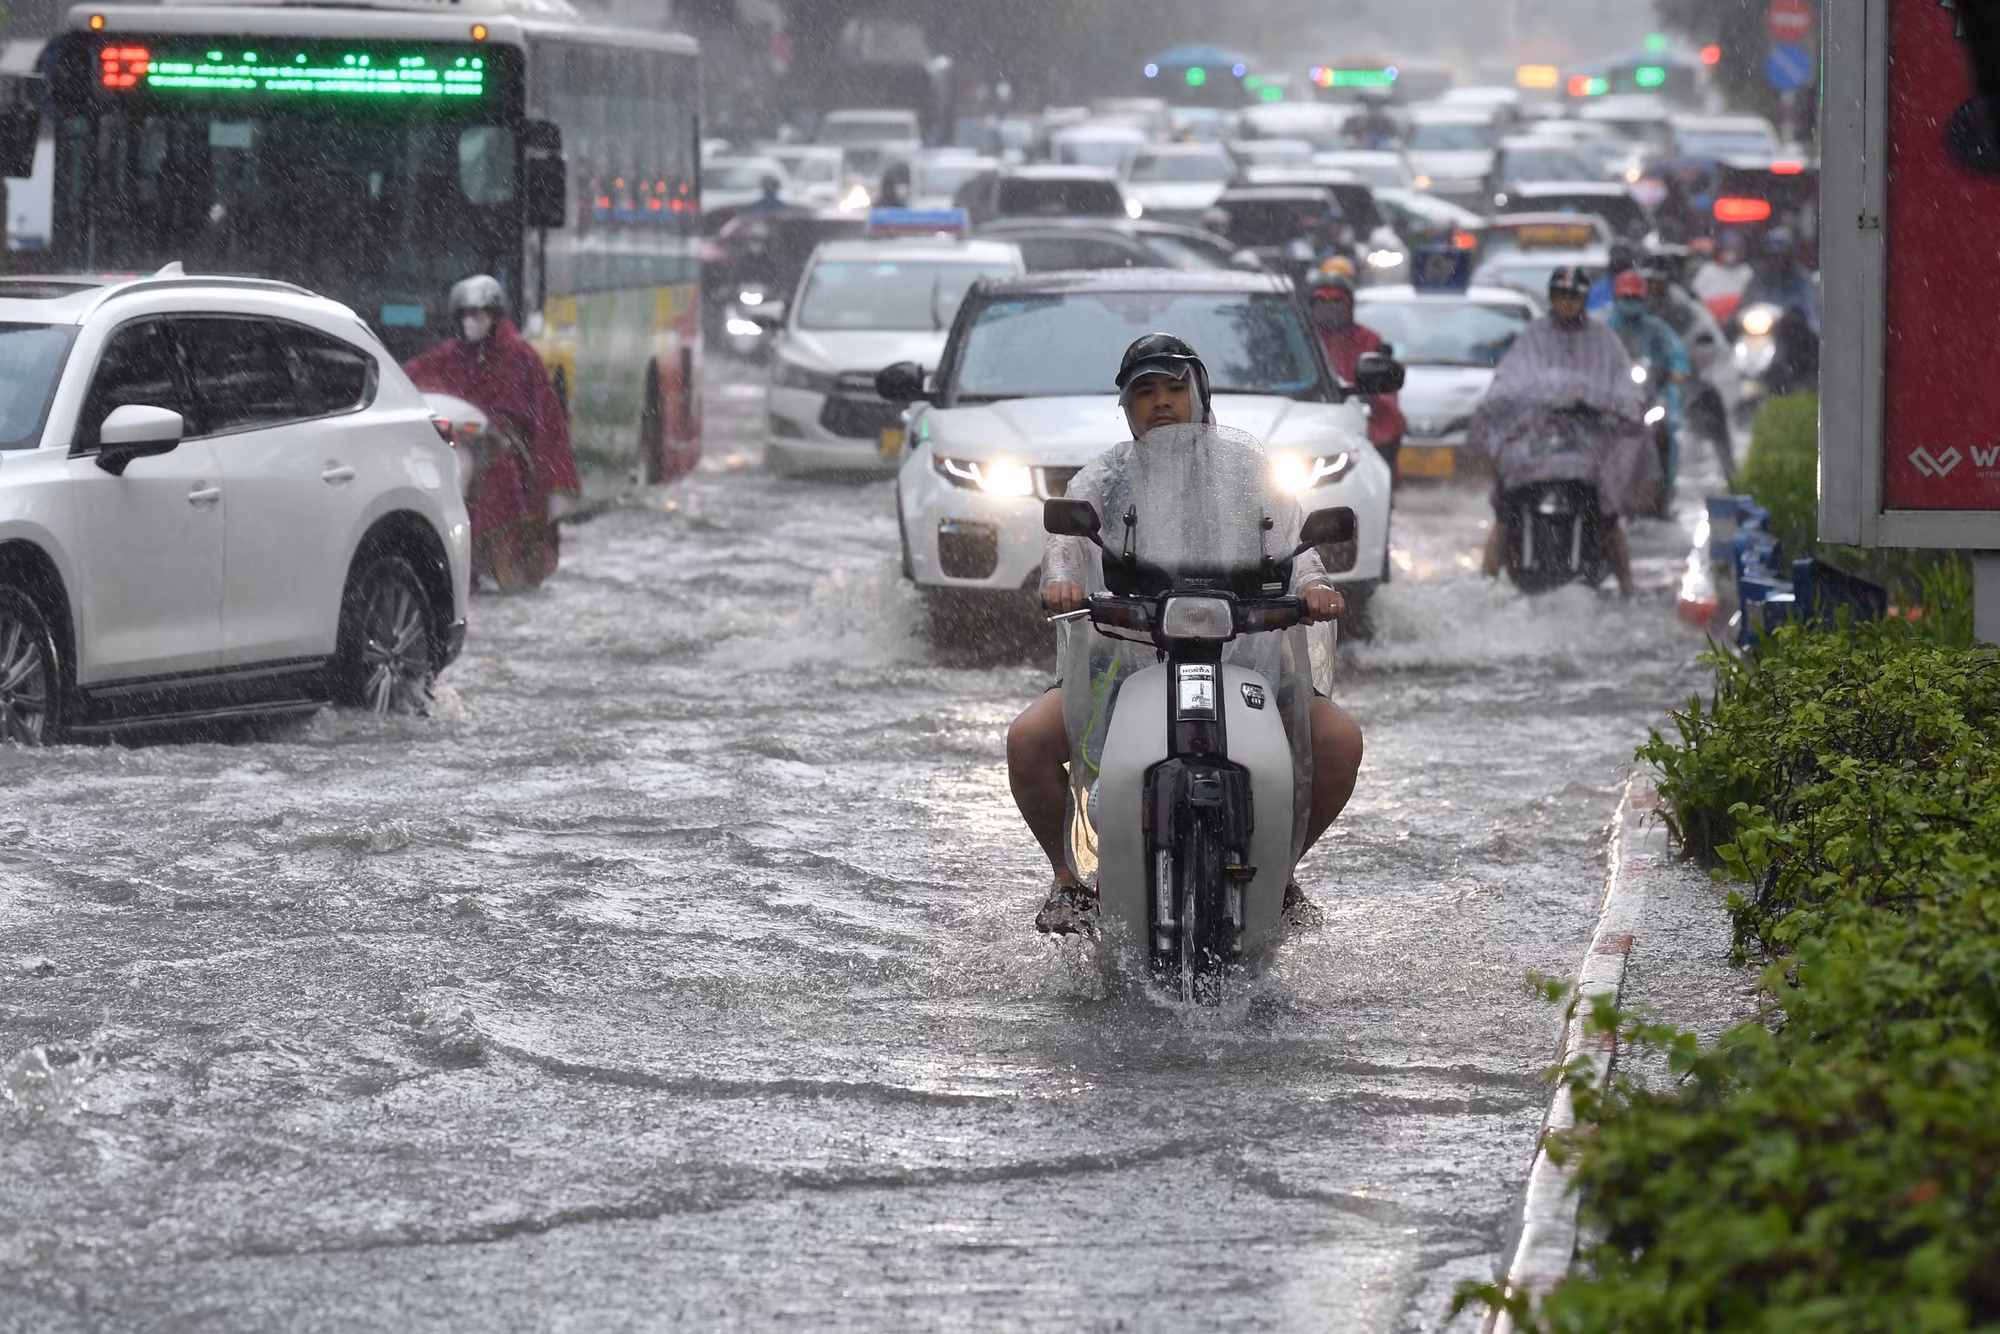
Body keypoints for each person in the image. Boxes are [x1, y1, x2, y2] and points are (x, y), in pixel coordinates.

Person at [1007, 334, 1364, 936]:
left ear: (1201, 395)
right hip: (1123, 663)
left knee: (1341, 743)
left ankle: (1280, 871)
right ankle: (1069, 880)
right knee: (1027, 741)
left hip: (1250, 656)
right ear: (1125, 407)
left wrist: (1315, 587)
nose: (1162, 403)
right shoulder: (1104, 475)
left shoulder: (1251, 471)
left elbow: (1296, 544)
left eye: (1175, 388)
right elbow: (1065, 547)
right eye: (1145, 392)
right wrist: (1062, 582)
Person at [1469, 267, 1653, 596]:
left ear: (1584, 299)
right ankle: (1485, 586)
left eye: (1574, 296)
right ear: (1553, 298)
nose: (1567, 302)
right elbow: (1508, 382)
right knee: (1504, 512)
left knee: (1608, 515)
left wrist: (1597, 402)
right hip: (1535, 436)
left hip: (1589, 437)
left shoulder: (1606, 341)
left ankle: (1628, 588)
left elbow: (1625, 388)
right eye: (1562, 296)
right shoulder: (1533, 337)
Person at [403, 276, 580, 593]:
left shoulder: (519, 355)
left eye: (480, 315)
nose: (473, 322)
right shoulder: (451, 354)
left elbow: (545, 417)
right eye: (467, 315)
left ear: (495, 315)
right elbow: (413, 374)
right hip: (456, 440)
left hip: (506, 447)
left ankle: (504, 563)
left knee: (499, 478)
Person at [1602, 269, 1689, 508]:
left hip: (1648, 398)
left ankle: (1664, 494)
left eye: (1635, 298)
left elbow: (1676, 351)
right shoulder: (1604, 329)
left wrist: (1676, 370)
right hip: (1612, 400)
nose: (1631, 303)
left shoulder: (1656, 329)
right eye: (1626, 297)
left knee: (1666, 429)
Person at [1308, 272, 1407, 478]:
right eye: (1323, 303)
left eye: (1336, 303)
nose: (1330, 311)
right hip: (1311, 415)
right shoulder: (1303, 340)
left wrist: (1364, 398)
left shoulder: (1369, 340)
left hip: (1365, 417)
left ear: (1349, 306)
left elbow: (1383, 390)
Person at [1584, 240, 1639, 313]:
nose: (1619, 258)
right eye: (1616, 255)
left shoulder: (1642, 286)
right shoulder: (1597, 290)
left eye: (1623, 255)